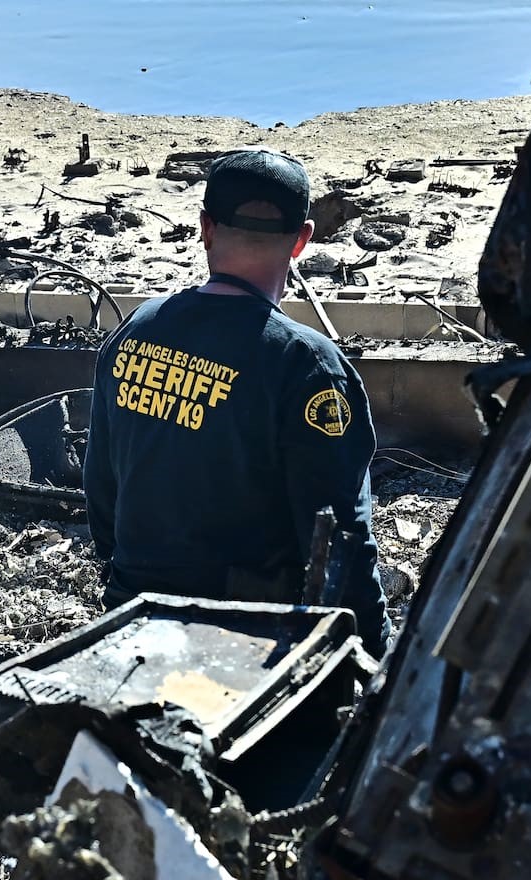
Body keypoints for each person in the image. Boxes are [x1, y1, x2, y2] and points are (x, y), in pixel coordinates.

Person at [83, 147, 389, 656]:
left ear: (205, 227)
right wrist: (378, 657)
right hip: (247, 645)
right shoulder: (307, 365)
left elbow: (102, 489)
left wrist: (126, 583)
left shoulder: (136, 331)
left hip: (133, 623)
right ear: (302, 241)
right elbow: (341, 539)